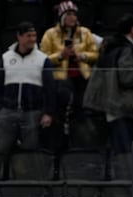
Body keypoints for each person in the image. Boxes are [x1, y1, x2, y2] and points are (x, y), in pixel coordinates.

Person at [0, 21, 56, 157]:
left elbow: (50, 89)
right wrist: (0, 109)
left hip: (32, 112)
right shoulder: (6, 58)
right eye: (28, 36)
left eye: (34, 36)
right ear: (19, 36)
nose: (32, 39)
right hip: (8, 111)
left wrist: (48, 112)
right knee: (2, 148)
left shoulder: (43, 59)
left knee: (30, 150)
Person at [40, 1, 99, 142]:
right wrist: (61, 55)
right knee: (62, 110)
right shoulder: (50, 34)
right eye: (69, 14)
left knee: (81, 111)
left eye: (74, 14)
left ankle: (79, 142)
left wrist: (82, 56)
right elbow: (43, 58)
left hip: (82, 77)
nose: (73, 17)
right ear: (61, 16)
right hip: (60, 80)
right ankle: (62, 141)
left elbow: (95, 54)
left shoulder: (85, 33)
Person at [84, 14, 133, 154]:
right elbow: (127, 78)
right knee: (127, 149)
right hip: (123, 104)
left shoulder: (109, 47)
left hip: (109, 103)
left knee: (117, 148)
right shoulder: (126, 49)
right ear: (132, 29)